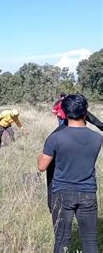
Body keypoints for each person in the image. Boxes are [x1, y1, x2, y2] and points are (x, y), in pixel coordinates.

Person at [37, 94, 101, 253]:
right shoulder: (97, 138)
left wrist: (44, 151)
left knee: (62, 241)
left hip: (62, 194)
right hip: (88, 194)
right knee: (90, 241)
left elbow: (42, 166)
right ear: (85, 112)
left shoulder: (56, 138)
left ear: (64, 113)